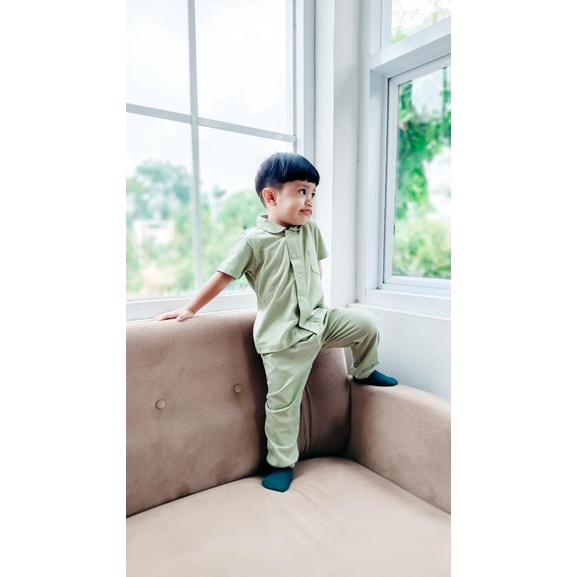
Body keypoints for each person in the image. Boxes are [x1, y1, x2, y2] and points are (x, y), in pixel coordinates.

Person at [154, 152, 398, 493]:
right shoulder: (252, 241)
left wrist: (317, 301)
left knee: (366, 323)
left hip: (320, 320)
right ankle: (281, 464)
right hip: (283, 339)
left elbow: (316, 267)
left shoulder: (311, 230)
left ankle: (364, 370)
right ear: (271, 197)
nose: (310, 201)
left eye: (313, 193)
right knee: (283, 406)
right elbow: (222, 277)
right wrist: (190, 308)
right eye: (302, 192)